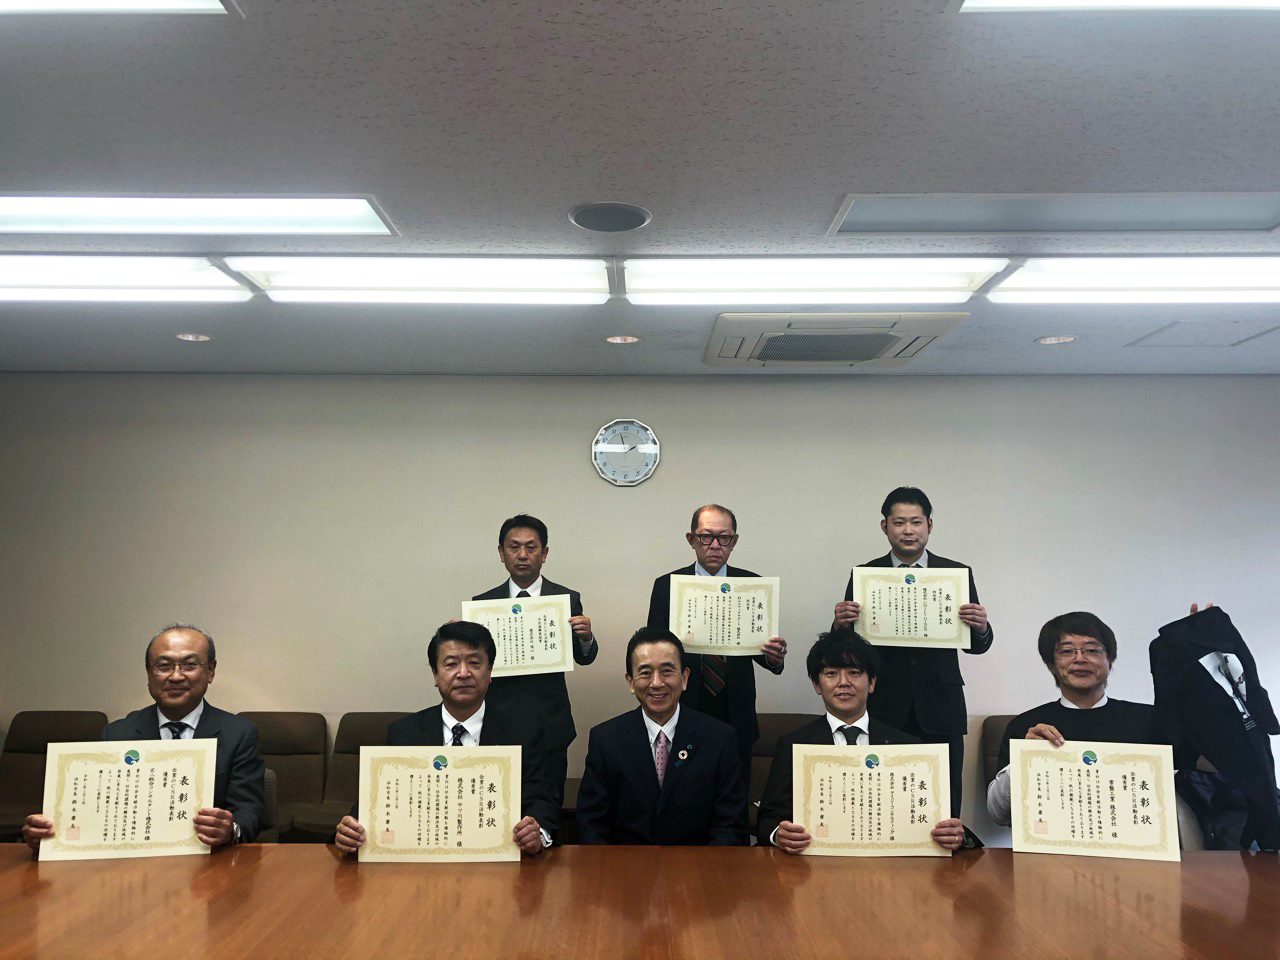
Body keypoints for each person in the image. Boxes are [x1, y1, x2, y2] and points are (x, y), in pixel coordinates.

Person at [21, 623, 266, 853]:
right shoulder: (117, 735)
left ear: (210, 671)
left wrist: (230, 830)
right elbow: (93, 813)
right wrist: (47, 834)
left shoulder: (239, 734)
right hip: (132, 865)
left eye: (189, 665)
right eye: (164, 665)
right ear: (149, 673)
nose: (176, 676)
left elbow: (249, 810)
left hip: (209, 863)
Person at [833, 486, 992, 817]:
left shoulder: (956, 574)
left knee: (943, 798)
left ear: (929, 525)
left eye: (916, 522)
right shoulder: (865, 575)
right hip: (884, 702)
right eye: (899, 522)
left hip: (941, 705)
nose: (908, 530)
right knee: (884, 798)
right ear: (885, 526)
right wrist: (840, 624)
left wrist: (981, 628)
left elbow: (976, 646)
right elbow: (847, 650)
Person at [335, 620, 558, 856]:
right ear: (435, 674)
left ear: (490, 671)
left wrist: (537, 834)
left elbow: (542, 800)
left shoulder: (524, 733)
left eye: (474, 663)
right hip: (421, 864)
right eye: (451, 664)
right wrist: (351, 832)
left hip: (496, 863)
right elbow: (378, 803)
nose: (463, 673)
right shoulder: (403, 733)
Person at [756, 628, 970, 853]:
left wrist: (955, 835)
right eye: (831, 673)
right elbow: (767, 820)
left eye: (854, 673)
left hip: (891, 867)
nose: (843, 682)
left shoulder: (908, 746)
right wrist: (778, 835)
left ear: (872, 683)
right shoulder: (793, 745)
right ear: (817, 685)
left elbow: (936, 821)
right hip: (815, 865)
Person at [646, 504, 787, 784]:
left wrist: (774, 656)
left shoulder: (752, 585)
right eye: (705, 536)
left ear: (734, 542)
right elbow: (653, 648)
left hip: (735, 704)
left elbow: (759, 649)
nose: (714, 545)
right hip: (684, 699)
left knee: (735, 785)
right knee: (684, 785)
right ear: (691, 539)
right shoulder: (668, 585)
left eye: (724, 538)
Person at [575, 626, 748, 845]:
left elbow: (730, 825)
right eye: (645, 673)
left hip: (698, 864)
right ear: (630, 682)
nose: (657, 683)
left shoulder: (720, 738)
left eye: (667, 671)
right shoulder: (605, 740)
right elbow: (591, 824)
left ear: (684, 678)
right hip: (625, 864)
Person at [986, 611, 1160, 827]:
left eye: (1092, 650)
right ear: (1051, 664)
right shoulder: (1027, 727)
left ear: (1110, 660)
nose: (1080, 659)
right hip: (1051, 845)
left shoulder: (1149, 719)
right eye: (1067, 651)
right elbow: (998, 814)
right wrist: (1026, 757)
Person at [472, 513, 597, 810]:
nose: (522, 555)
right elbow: (477, 664)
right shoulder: (482, 604)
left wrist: (586, 636)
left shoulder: (565, 598)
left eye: (531, 547)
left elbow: (585, 657)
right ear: (501, 553)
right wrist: (463, 638)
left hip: (550, 724)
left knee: (547, 807)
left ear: (544, 553)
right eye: (514, 547)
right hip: (497, 721)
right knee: (497, 806)